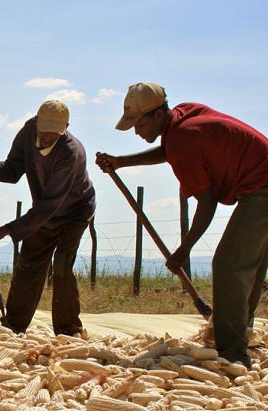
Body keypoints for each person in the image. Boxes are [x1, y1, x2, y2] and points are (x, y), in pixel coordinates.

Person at [96, 82, 268, 367]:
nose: (136, 131)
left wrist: (183, 251)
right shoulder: (182, 118)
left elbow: (207, 202)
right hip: (259, 182)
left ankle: (233, 353)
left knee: (229, 264)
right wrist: (121, 162)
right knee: (247, 264)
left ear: (157, 115)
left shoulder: (183, 139)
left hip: (262, 188)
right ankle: (240, 334)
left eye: (138, 124)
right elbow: (169, 150)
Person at [0, 99, 96, 336]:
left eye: (53, 135)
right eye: (43, 133)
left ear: (65, 128)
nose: (46, 139)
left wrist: (2, 231)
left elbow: (46, 208)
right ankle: (14, 325)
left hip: (74, 212)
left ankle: (68, 331)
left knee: (63, 263)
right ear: (37, 123)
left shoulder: (70, 153)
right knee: (29, 263)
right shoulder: (28, 132)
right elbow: (12, 170)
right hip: (43, 213)